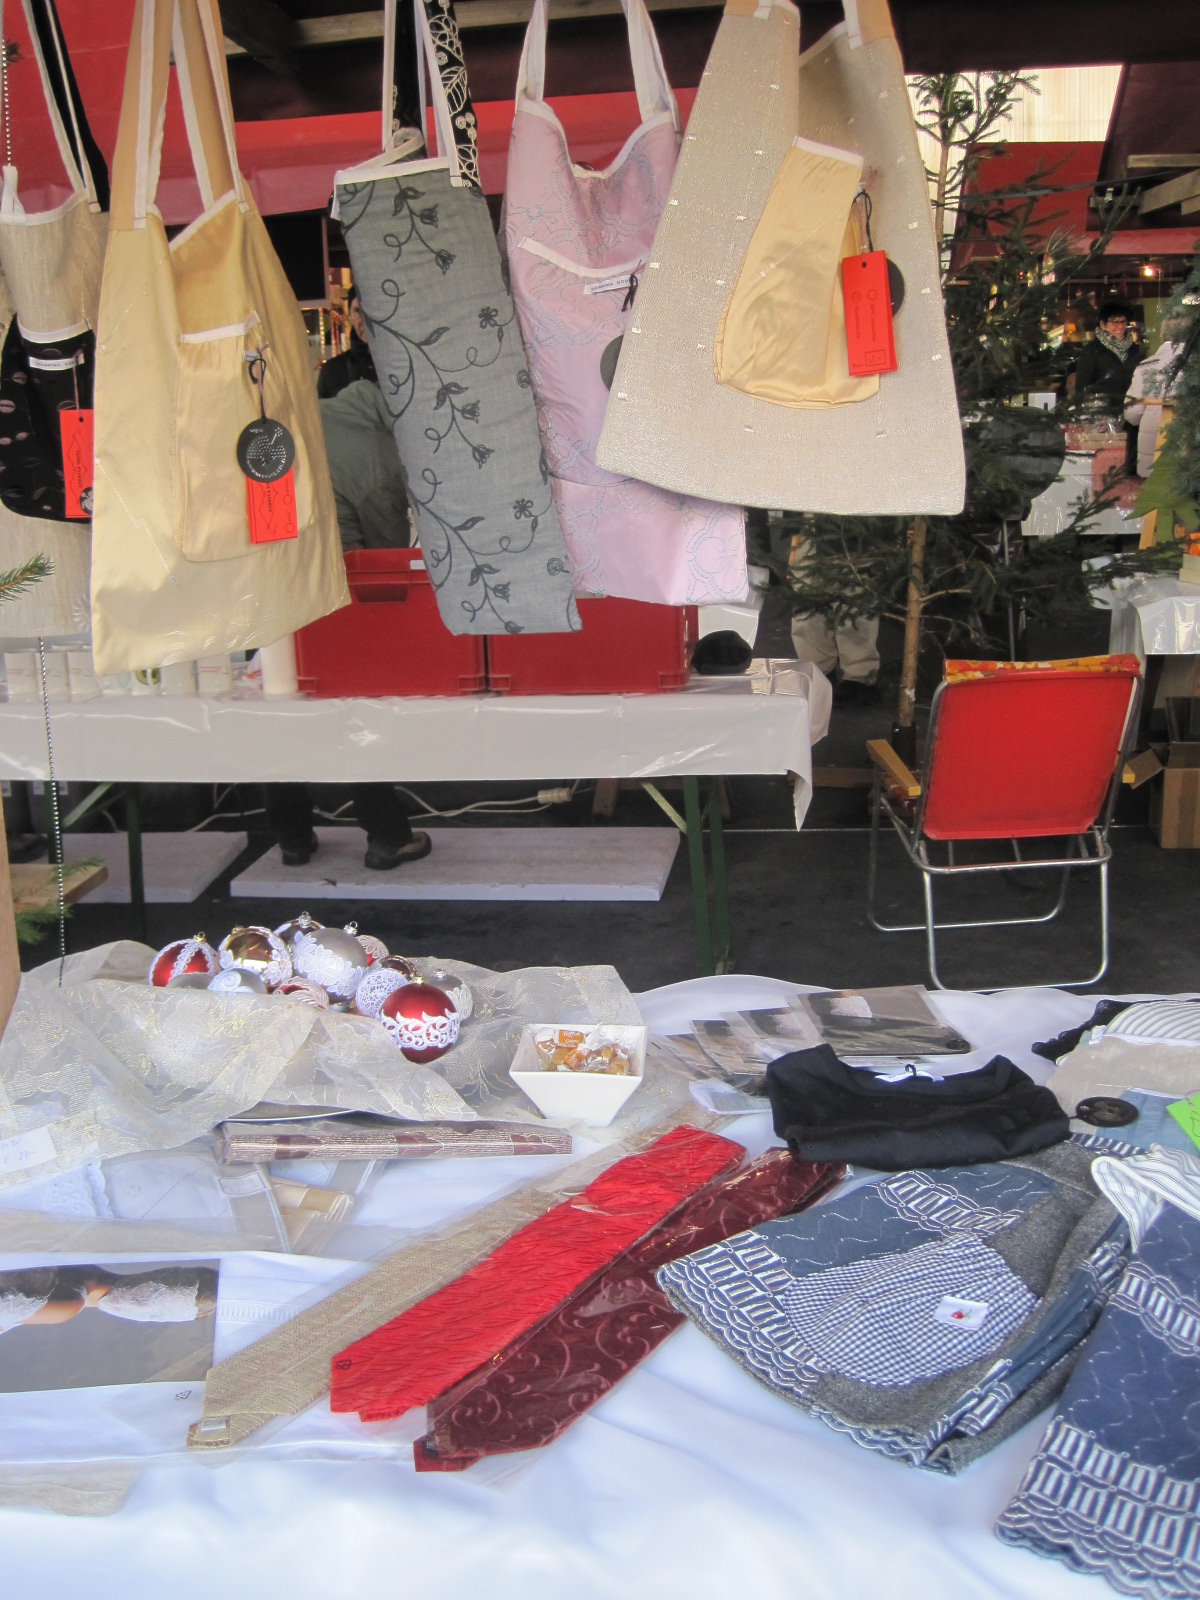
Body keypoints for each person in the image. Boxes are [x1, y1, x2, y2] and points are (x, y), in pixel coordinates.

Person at [266, 374, 431, 873]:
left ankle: (292, 839)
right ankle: (387, 836)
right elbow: (386, 563)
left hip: (273, 588)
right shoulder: (380, 456)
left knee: (281, 712)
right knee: (357, 711)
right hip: (336, 599)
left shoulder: (315, 416)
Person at [1070, 298, 1144, 474]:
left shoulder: (1136, 351)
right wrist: (1086, 415)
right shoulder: (1091, 352)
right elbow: (1082, 388)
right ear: (1103, 324)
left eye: (1123, 322)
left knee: (1131, 463)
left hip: (1133, 417)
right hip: (1103, 420)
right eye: (1114, 322)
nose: (1120, 326)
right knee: (1106, 465)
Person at [1124, 316, 1186, 478]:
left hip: (1153, 450)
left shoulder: (1146, 366)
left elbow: (1132, 412)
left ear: (1163, 335)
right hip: (1190, 452)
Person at [316, 286, 377, 399]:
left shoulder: (400, 364)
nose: (364, 320)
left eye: (369, 311)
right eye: (358, 311)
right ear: (350, 315)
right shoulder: (331, 372)